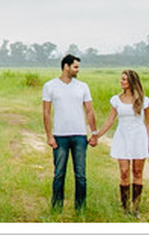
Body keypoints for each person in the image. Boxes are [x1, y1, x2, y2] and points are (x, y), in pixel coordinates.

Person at [92, 69, 149, 215]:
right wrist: (97, 135)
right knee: (124, 172)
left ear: (132, 82)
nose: (121, 81)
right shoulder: (116, 99)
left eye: (124, 79)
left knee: (137, 172)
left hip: (139, 137)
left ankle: (135, 208)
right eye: (121, 79)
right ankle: (125, 208)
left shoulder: (144, 101)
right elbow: (110, 121)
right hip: (123, 137)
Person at [41, 54, 98, 213]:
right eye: (75, 67)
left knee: (80, 175)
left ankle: (80, 209)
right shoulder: (50, 86)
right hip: (59, 136)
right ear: (66, 67)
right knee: (59, 174)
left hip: (80, 136)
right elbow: (46, 113)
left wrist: (94, 133)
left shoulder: (83, 86)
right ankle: (57, 208)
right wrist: (49, 135)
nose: (78, 70)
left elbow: (89, 111)